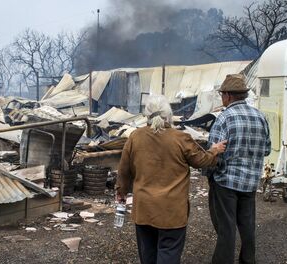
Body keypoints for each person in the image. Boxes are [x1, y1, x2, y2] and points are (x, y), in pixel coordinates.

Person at [115, 95, 227, 264]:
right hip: (172, 212)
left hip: (144, 209)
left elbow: (123, 171)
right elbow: (201, 161)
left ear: (147, 115)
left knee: (148, 254)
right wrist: (214, 151)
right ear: (169, 115)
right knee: (169, 252)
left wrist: (121, 192)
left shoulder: (135, 137)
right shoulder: (180, 138)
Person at [207, 74, 271, 264]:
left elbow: (213, 153)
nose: (221, 98)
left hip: (226, 182)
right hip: (250, 182)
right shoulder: (260, 117)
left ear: (227, 95)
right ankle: (247, 260)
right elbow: (267, 149)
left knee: (227, 228)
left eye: (222, 95)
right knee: (247, 226)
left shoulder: (224, 119)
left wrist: (211, 174)